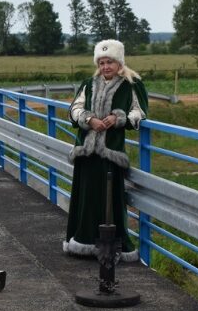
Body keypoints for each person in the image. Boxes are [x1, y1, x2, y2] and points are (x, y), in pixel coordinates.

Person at [63, 39, 148, 262]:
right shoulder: (88, 84)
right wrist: (88, 119)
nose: (105, 67)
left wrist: (118, 118)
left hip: (111, 153)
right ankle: (83, 241)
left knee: (110, 200)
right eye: (101, 63)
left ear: (119, 62)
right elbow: (74, 109)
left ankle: (111, 247)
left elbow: (139, 113)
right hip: (86, 152)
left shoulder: (131, 85)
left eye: (110, 62)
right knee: (86, 198)